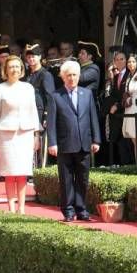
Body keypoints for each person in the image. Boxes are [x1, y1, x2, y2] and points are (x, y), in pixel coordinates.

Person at [47, 59, 101, 221]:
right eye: (69, 75)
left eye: (75, 75)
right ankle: (68, 210)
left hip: (84, 143)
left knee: (83, 179)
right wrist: (52, 143)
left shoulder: (87, 94)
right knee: (66, 180)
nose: (72, 78)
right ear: (63, 77)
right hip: (64, 144)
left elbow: (93, 117)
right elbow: (51, 122)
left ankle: (81, 209)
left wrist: (96, 140)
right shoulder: (56, 96)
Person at [0, 54, 41, 213]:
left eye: (17, 67)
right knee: (10, 173)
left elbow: (34, 112)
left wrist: (36, 135)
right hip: (6, 135)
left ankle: (22, 208)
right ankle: (11, 207)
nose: (14, 70)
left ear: (21, 69)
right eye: (11, 67)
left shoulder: (28, 88)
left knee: (23, 173)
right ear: (5, 70)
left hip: (25, 134)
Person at [24, 42, 56, 166]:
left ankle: (40, 172)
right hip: (28, 113)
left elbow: (50, 97)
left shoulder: (45, 75)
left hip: (40, 113)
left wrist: (47, 115)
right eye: (29, 56)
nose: (31, 59)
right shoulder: (27, 75)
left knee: (41, 144)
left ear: (40, 57)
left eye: (34, 56)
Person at [122, 52, 137, 163]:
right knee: (133, 138)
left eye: (133, 61)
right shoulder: (128, 75)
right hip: (129, 107)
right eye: (129, 62)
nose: (131, 64)